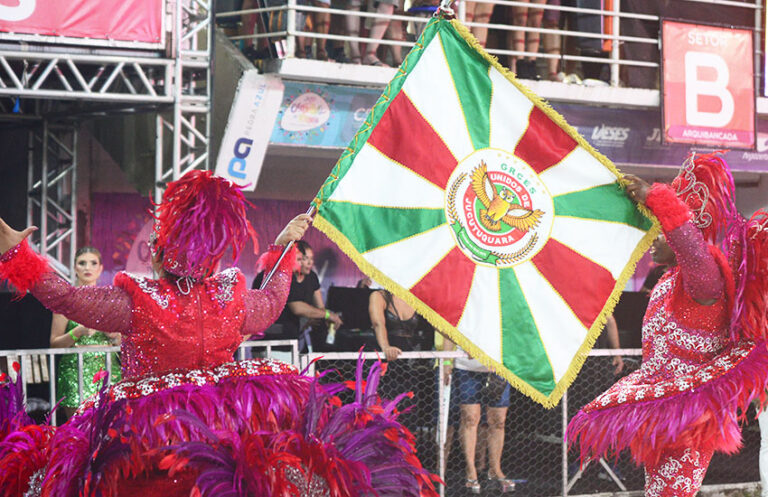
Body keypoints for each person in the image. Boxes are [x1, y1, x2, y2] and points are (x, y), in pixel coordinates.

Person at [0, 170, 437, 497]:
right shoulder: (228, 297)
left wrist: (16, 255)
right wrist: (281, 251)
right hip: (225, 433)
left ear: (159, 251)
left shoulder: (142, 300)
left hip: (151, 441)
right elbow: (271, 303)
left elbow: (66, 298)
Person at [568, 153, 768, 497]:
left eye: (661, 232)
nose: (654, 239)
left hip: (689, 415)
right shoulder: (668, 281)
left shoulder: (706, 280)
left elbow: (689, 244)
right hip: (660, 408)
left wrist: (656, 197)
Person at [49, 247, 121, 418]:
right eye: (82, 263)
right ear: (75, 267)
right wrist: (77, 332)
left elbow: (121, 341)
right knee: (78, 427)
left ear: (101, 268)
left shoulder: (110, 300)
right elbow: (54, 343)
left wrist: (113, 334)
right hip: (75, 371)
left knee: (110, 426)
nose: (87, 268)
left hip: (108, 369)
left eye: (93, 263)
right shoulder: (65, 302)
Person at [442, 338, 514, 494]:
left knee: (498, 421)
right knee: (470, 418)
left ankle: (495, 469)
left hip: (498, 368)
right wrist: (447, 362)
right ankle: (471, 470)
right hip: (466, 367)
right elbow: (447, 331)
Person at [252, 239, 342, 349]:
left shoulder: (310, 277)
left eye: (311, 259)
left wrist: (318, 317)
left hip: (293, 340)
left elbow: (319, 308)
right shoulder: (279, 276)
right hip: (272, 343)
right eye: (302, 259)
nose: (308, 263)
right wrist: (326, 315)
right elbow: (297, 308)